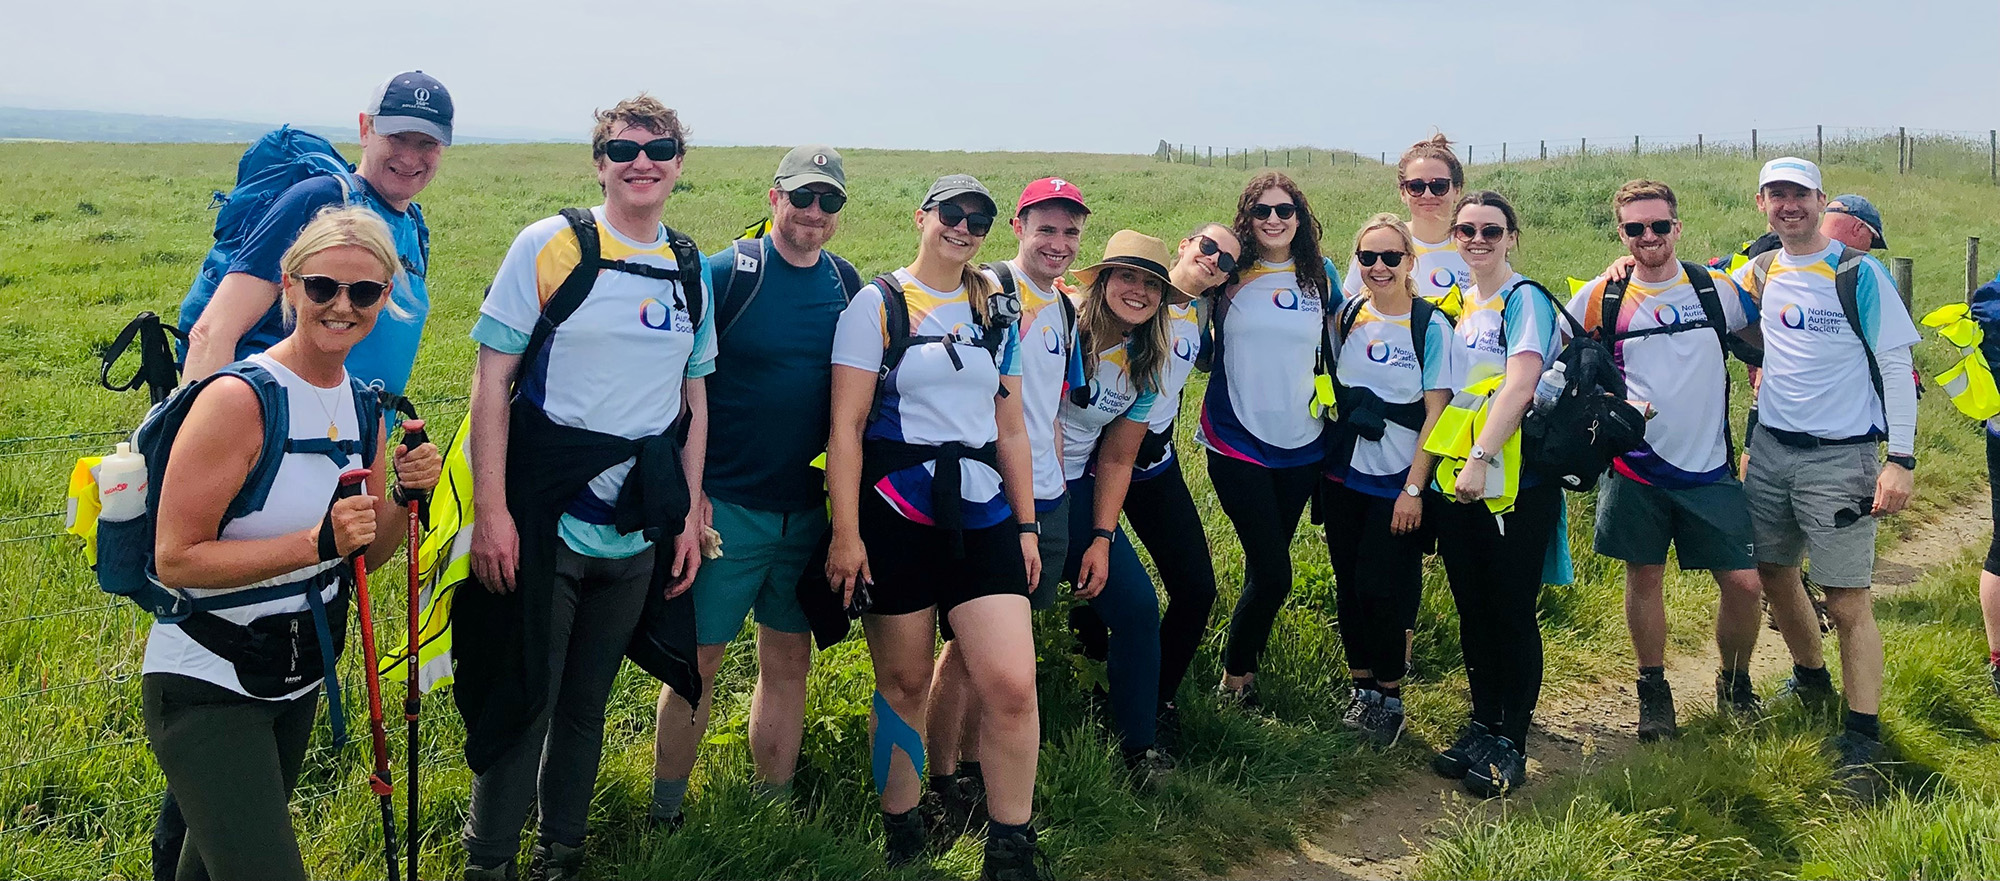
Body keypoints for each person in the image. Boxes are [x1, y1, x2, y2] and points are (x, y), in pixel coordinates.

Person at [143, 206, 441, 881]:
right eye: (322, 286)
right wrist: (313, 542)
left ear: (385, 298)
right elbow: (176, 557)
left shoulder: (364, 404)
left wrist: (399, 496)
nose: (342, 305)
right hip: (208, 679)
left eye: (363, 291)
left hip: (296, 677)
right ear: (289, 284)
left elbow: (363, 555)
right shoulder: (238, 400)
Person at [460, 95, 714, 880]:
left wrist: (685, 515)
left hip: (637, 527)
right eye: (623, 146)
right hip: (545, 517)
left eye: (659, 146)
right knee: (527, 696)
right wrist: (492, 513)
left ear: (678, 162)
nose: (643, 159)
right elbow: (491, 380)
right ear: (599, 163)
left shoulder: (687, 265)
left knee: (585, 704)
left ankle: (560, 853)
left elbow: (695, 399)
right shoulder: (550, 245)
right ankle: (490, 859)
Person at [823, 174, 1048, 878]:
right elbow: (847, 427)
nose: (965, 227)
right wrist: (847, 532)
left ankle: (1012, 845)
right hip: (896, 512)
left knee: (1012, 681)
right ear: (921, 216)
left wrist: (1028, 523)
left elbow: (1010, 427)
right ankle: (903, 825)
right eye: (953, 213)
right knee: (905, 679)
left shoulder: (996, 308)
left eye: (979, 219)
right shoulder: (878, 305)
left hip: (983, 512)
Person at [648, 145, 858, 830]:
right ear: (774, 199)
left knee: (788, 657)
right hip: (724, 511)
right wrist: (691, 486)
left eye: (828, 202)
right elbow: (674, 384)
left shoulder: (846, 284)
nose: (814, 213)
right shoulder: (727, 272)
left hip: (806, 512)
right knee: (696, 661)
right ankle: (665, 812)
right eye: (802, 198)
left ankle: (773, 807)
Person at [1730, 157, 1918, 799]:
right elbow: (1693, 292)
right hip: (1772, 450)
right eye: (1777, 195)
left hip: (1843, 457)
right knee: (1776, 573)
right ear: (1762, 203)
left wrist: (1902, 459)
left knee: (1846, 597)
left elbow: (1895, 367)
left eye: (1800, 194)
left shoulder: (1858, 273)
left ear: (1820, 199)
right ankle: (1811, 676)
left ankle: (1862, 737)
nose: (1789, 205)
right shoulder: (1759, 270)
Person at [1569, 181, 1767, 742]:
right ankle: (1653, 692)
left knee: (1746, 584)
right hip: (1633, 466)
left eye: (1659, 226)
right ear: (1621, 233)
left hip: (1710, 468)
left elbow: (1769, 348)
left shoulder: (1716, 291)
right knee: (1646, 574)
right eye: (1635, 228)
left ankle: (1735, 683)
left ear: (1678, 228)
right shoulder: (1599, 298)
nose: (1648, 237)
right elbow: (1560, 363)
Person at [925, 177, 1088, 829]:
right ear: (1018, 228)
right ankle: (942, 780)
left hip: (1046, 499)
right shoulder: (986, 290)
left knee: (996, 659)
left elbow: (1043, 412)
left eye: (1070, 231)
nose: (1058, 242)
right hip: (986, 498)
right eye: (1045, 228)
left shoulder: (1065, 307)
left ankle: (970, 772)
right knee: (965, 651)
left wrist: (1053, 496)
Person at [181, 71, 451, 395]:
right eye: (396, 138)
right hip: (272, 431)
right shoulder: (319, 200)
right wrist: (193, 434)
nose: (409, 157)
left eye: (427, 143)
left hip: (354, 437)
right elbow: (214, 332)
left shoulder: (413, 225)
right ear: (366, 129)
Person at [1079, 224, 1238, 747]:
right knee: (1093, 583)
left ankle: (1156, 697)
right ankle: (1093, 675)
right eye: (1209, 247)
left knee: (1195, 588)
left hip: (1146, 464)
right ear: (1186, 243)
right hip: (1084, 467)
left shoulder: (1202, 314)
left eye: (1228, 262)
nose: (1215, 261)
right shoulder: (1098, 311)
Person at [1429, 190, 1564, 798]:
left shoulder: (1523, 298)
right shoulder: (1455, 303)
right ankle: (1481, 724)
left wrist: (1481, 457)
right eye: (1466, 231)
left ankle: (1512, 741)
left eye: (1491, 230)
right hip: (1457, 481)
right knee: (1472, 607)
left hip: (1513, 483)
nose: (1477, 240)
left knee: (1510, 610)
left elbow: (1521, 383)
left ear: (1513, 236)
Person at [1321, 214, 1458, 749]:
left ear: (1410, 262)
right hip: (1343, 476)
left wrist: (1414, 489)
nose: (1379, 268)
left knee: (1385, 587)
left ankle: (1390, 695)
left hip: (1398, 484)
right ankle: (1362, 690)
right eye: (1368, 258)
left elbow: (1437, 414)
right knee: (1349, 584)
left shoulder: (1430, 325)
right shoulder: (1348, 316)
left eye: (1391, 258)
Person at [1204, 172, 1342, 704]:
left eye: (1285, 210)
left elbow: (1356, 331)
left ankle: (1242, 671)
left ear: (1300, 218)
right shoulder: (1228, 273)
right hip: (1235, 437)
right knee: (1275, 571)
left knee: (1268, 568)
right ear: (1247, 218)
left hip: (1304, 441)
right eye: (1262, 211)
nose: (1274, 220)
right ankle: (1234, 679)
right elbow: (1183, 320)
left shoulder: (1321, 275)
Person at [1054, 230, 1185, 780]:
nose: (1138, 291)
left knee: (1135, 610)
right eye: (1127, 276)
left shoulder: (1147, 364)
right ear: (1103, 279)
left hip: (1079, 491)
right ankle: (964, 765)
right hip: (1011, 487)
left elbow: (1115, 460)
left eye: (1152, 284)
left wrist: (1103, 540)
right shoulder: (1060, 328)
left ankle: (1137, 748)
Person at [1344, 134, 1472, 306]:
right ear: (1403, 193)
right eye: (1416, 187)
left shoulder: (1477, 247)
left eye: (1439, 186)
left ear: (1457, 190)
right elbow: (1345, 309)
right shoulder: (1380, 242)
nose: (1427, 195)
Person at [1822, 194, 1888, 253]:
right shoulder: (1865, 265)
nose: (1868, 250)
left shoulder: (1813, 257)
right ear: (1858, 228)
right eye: (1871, 239)